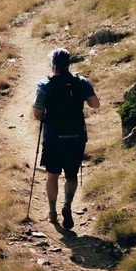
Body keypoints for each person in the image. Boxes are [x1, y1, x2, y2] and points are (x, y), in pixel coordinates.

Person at [31, 48, 99, 233]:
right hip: (76, 137)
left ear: (53, 66)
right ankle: (67, 204)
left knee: (52, 174)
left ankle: (52, 212)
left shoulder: (45, 85)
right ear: (69, 64)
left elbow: (37, 114)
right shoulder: (82, 82)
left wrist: (46, 115)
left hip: (53, 138)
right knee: (71, 175)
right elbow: (95, 104)